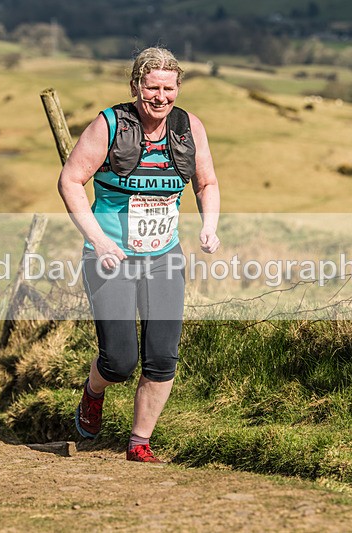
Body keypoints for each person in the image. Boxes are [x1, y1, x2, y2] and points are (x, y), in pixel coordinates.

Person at [57, 46, 221, 463]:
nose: (161, 97)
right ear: (135, 87)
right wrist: (99, 240)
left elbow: (206, 183)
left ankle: (139, 443)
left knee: (162, 357)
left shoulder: (188, 127)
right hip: (111, 256)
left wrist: (208, 225)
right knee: (119, 361)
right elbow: (71, 181)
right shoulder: (109, 124)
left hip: (164, 256)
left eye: (169, 88)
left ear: (178, 87)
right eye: (152, 88)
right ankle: (94, 393)